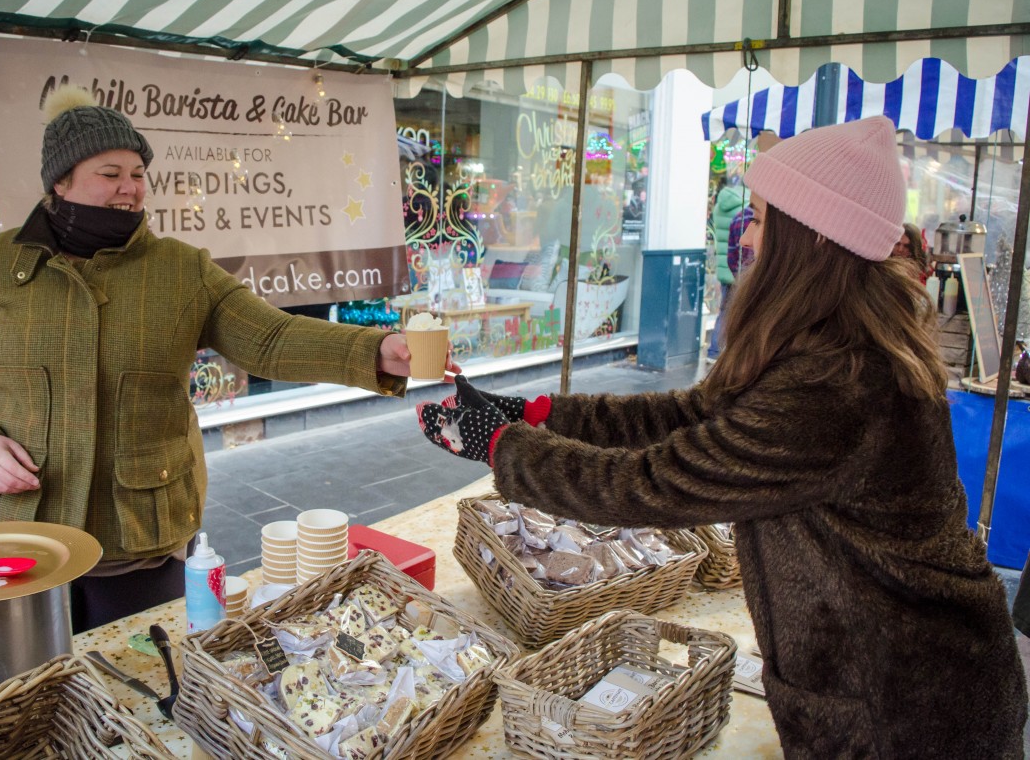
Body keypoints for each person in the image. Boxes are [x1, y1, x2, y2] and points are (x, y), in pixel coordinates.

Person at [417, 116, 1026, 757]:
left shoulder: (841, 380)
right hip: (879, 682)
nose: (747, 236)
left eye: (760, 217)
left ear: (811, 236)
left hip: (908, 707)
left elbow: (654, 484)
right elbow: (691, 416)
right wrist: (535, 414)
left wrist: (503, 447)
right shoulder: (821, 335)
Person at [0, 85, 456, 632]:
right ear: (60, 181)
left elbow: (271, 338)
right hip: (16, 534)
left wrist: (374, 351)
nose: (129, 188)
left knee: (140, 686)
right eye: (110, 173)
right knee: (21, 695)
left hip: (133, 538)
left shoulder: (180, 269)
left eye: (138, 174)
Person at [708, 180, 750, 359]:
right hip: (742, 270)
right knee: (740, 313)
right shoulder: (746, 209)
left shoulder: (719, 207)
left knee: (724, 311)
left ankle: (714, 351)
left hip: (725, 266)